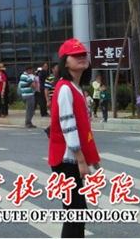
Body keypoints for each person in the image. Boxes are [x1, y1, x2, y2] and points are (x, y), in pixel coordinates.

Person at [49, 38, 100, 238]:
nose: (81, 57)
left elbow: (83, 128)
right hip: (66, 161)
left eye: (83, 54)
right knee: (74, 213)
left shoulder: (76, 88)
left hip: (71, 159)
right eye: (76, 55)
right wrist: (81, 160)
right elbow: (68, 125)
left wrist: (91, 159)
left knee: (78, 212)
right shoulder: (64, 88)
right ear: (65, 62)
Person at [43, 62, 59, 138]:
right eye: (57, 67)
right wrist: (48, 100)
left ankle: (51, 130)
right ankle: (50, 130)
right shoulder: (49, 78)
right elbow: (46, 90)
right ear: (53, 69)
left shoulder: (61, 77)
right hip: (53, 99)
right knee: (55, 116)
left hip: (60, 99)